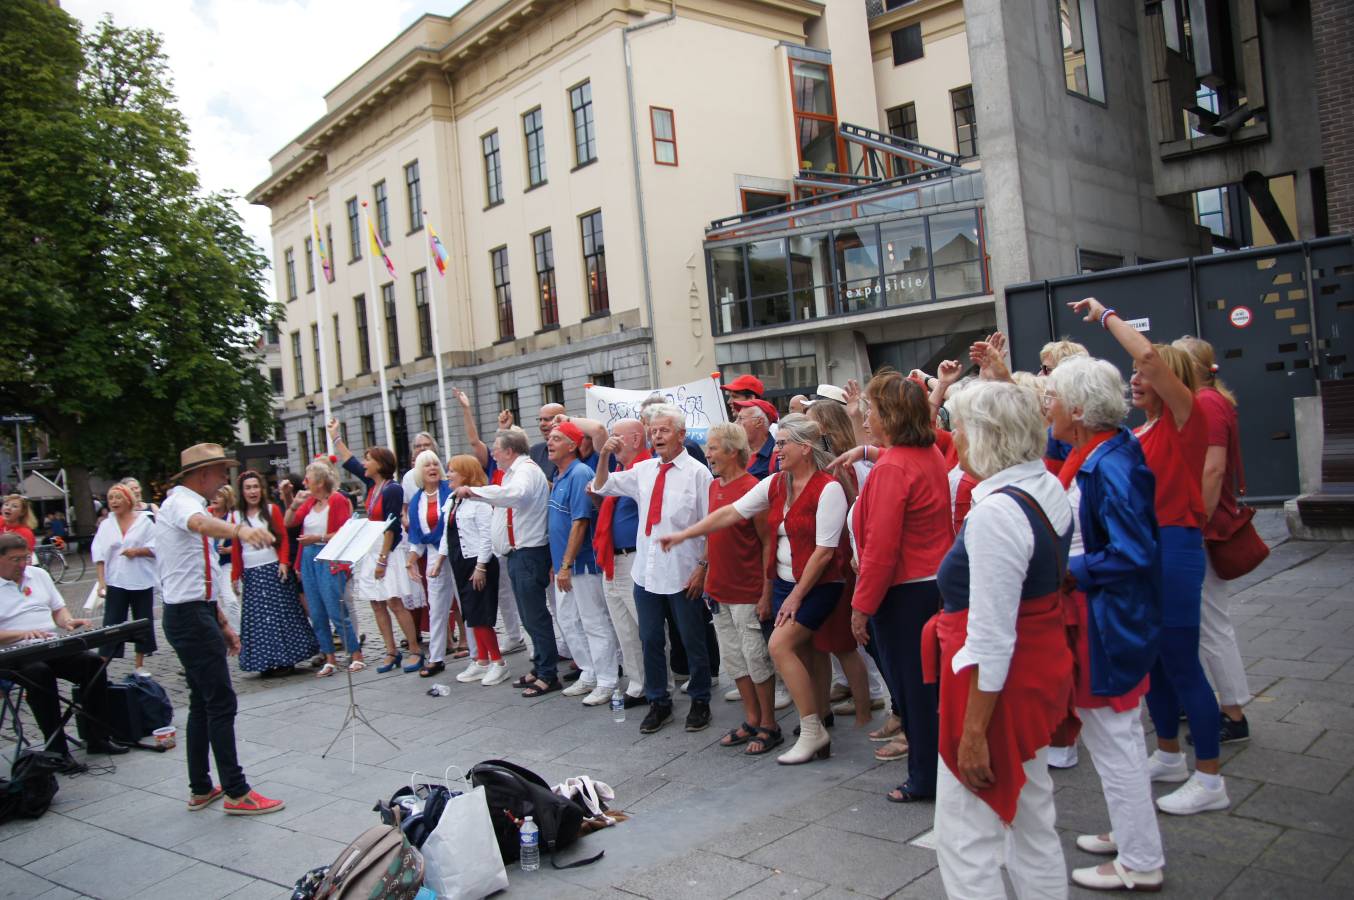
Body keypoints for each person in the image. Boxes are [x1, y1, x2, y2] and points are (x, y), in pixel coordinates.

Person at [1073, 297, 1228, 816]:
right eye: (1133, 379)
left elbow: (1151, 361)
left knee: (1182, 662)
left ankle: (1210, 777)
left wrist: (1106, 316)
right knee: (1156, 661)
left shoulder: (1188, 421)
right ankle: (1168, 754)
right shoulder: (1137, 432)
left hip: (1176, 547)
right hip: (1149, 549)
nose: (1135, 382)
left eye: (1142, 377)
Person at [926, 380, 1075, 899]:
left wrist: (972, 735)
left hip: (993, 685)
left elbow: (991, 637)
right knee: (1033, 820)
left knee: (966, 839)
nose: (955, 436)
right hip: (1033, 671)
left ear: (985, 437)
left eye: (960, 426)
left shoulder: (996, 512)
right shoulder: (1045, 485)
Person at [661, 414, 847, 764]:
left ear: (805, 449)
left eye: (782, 444)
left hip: (818, 585)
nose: (775, 450)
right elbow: (731, 513)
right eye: (776, 444)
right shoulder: (777, 483)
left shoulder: (829, 487)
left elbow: (824, 552)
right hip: (786, 583)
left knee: (778, 647)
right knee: (805, 653)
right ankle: (818, 722)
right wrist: (686, 535)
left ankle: (811, 729)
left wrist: (791, 595)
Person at [1045, 356, 1166, 891]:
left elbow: (1134, 552)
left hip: (1105, 620)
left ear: (1076, 408)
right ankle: (1131, 835)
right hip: (1101, 615)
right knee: (1115, 737)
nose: (1045, 406)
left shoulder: (1107, 461)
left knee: (1114, 738)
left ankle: (1140, 860)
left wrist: (1069, 570)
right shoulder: (1099, 452)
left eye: (1052, 398)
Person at [156, 443, 283, 814]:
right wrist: (240, 531)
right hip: (189, 616)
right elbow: (200, 526)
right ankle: (236, 790)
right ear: (204, 473)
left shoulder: (189, 503)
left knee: (202, 701)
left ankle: (201, 787)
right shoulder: (183, 504)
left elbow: (202, 573)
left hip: (196, 612)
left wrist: (222, 621)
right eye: (221, 472)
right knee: (220, 702)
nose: (224, 479)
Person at [843, 372, 952, 802]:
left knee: (914, 690)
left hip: (905, 593)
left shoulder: (894, 466)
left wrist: (861, 606)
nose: (866, 416)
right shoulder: (925, 454)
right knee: (926, 688)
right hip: (928, 586)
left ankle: (925, 778)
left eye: (870, 408)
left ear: (889, 414)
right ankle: (934, 769)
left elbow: (882, 550)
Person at [593, 403, 714, 734]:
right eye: (653, 430)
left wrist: (703, 566)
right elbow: (602, 486)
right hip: (646, 573)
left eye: (663, 430)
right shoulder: (644, 470)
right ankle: (659, 701)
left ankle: (701, 699)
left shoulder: (697, 474)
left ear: (681, 434)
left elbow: (710, 524)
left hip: (682, 569)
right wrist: (603, 456)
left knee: (692, 639)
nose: (656, 436)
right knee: (649, 639)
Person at [1175, 335, 1251, 744]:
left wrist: (1196, 525)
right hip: (1206, 522)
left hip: (1204, 526)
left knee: (1211, 623)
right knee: (1207, 620)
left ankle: (1233, 712)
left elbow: (1213, 468)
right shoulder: (1214, 400)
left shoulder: (1205, 404)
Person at [0, 533, 128, 772]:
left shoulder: (37, 575)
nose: (21, 565)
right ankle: (57, 750)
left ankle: (97, 737)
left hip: (48, 644)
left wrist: (67, 621)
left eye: (25, 558)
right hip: (12, 654)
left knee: (93, 663)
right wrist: (21, 634)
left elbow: (58, 609)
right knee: (40, 675)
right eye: (15, 560)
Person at [456, 428, 560, 697]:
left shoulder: (524, 471)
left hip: (528, 553)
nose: (493, 453)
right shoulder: (515, 472)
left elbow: (517, 495)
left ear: (510, 451)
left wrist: (477, 492)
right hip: (518, 554)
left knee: (535, 616)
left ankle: (548, 674)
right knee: (528, 616)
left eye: (496, 448)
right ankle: (540, 667)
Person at [698, 423, 779, 755]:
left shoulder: (753, 488)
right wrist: (704, 572)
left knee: (756, 659)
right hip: (719, 591)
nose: (708, 454)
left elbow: (766, 542)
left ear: (732, 451)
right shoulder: (714, 487)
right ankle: (751, 719)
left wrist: (765, 591)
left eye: (714, 448)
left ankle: (769, 725)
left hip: (747, 590)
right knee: (735, 662)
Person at [328, 420, 426, 675]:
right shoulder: (373, 486)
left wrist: (383, 559)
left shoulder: (392, 489)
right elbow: (350, 461)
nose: (364, 463)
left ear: (380, 464)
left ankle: (415, 649)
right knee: (376, 603)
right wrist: (336, 437)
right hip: (372, 549)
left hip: (387, 551)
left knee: (394, 601)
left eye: (368, 459)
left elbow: (392, 526)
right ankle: (390, 650)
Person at [543, 422, 618, 706]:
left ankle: (607, 680)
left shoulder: (579, 473)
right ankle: (588, 672)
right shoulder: (560, 474)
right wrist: (558, 564)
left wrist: (566, 564)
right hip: (565, 565)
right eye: (549, 438)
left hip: (582, 564)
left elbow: (580, 521)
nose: (550, 442)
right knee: (568, 620)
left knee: (593, 621)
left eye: (557, 438)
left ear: (573, 445)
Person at [453, 388, 528, 654]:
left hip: (515, 534)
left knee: (520, 592)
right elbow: (474, 441)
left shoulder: (519, 473)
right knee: (505, 592)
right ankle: (513, 634)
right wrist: (466, 409)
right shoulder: (493, 468)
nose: (495, 452)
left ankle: (527, 636)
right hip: (498, 536)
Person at [432, 454, 511, 686]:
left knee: (481, 613)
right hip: (461, 561)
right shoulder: (453, 500)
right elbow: (448, 534)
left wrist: (481, 566)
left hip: (478, 563)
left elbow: (487, 535)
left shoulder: (479, 500)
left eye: (452, 471)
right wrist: (439, 561)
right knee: (470, 612)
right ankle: (481, 660)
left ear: (466, 473)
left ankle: (498, 662)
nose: (448, 475)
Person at [229, 470, 317, 676]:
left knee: (282, 615)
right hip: (251, 572)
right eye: (248, 488)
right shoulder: (236, 516)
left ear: (261, 489)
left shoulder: (271, 510)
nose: (252, 491)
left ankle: (287, 658)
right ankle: (265, 661)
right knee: (259, 620)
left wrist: (284, 561)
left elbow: (283, 538)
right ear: (242, 492)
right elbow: (236, 548)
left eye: (255, 487)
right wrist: (235, 574)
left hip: (273, 568)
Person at [285, 460, 363, 677]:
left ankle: (355, 653)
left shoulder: (337, 500)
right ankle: (329, 657)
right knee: (317, 611)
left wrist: (317, 537)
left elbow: (344, 532)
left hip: (329, 555)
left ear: (319, 482)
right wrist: (292, 503)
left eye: (308, 479)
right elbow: (289, 522)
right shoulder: (309, 502)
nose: (304, 482)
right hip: (309, 557)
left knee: (335, 607)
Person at [592, 418, 651, 707]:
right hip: (612, 559)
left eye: (616, 436)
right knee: (624, 628)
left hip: (632, 559)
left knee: (644, 627)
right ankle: (638, 684)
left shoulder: (644, 469)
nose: (611, 442)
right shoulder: (618, 470)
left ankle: (655, 683)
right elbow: (601, 491)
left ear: (636, 439)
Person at [92, 483, 157, 674]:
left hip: (141, 579)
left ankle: (139, 664)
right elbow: (99, 555)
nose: (113, 502)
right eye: (110, 498)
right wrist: (101, 582)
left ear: (128, 500)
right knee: (112, 623)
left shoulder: (144, 522)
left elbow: (157, 548)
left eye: (117, 497)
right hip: (116, 580)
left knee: (142, 622)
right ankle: (101, 664)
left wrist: (138, 551)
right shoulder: (106, 525)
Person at [405, 450, 456, 678]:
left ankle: (479, 654)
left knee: (465, 605)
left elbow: (450, 528)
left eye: (435, 463)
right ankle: (436, 658)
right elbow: (417, 538)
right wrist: (410, 561)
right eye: (427, 465)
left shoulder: (450, 492)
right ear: (420, 471)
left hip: (456, 552)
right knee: (436, 607)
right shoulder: (417, 500)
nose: (433, 468)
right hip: (434, 554)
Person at [732, 400, 778, 480]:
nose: (735, 423)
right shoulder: (734, 452)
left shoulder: (777, 456)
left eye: (740, 418)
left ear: (759, 422)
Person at [530, 402, 566, 482]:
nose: (542, 424)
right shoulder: (534, 451)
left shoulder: (576, 451)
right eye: (540, 420)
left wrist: (542, 484)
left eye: (547, 419)